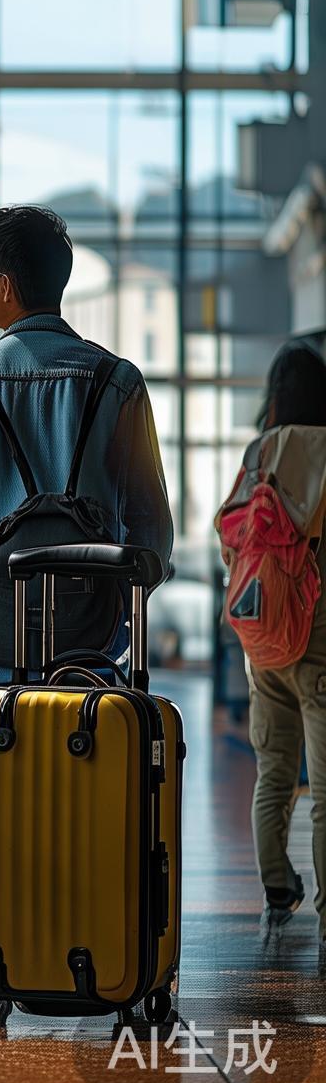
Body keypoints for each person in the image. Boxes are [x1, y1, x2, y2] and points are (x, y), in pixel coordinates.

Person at [0, 205, 173, 973]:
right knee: (89, 769)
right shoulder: (119, 383)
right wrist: (107, 611)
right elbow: (151, 533)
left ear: (4, 286)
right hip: (94, 635)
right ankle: (87, 935)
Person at [234, 341, 326, 967]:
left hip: (261, 633)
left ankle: (276, 882)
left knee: (275, 769)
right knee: (325, 789)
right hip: (318, 636)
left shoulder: (257, 452)